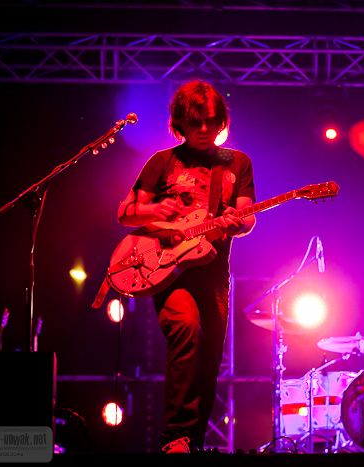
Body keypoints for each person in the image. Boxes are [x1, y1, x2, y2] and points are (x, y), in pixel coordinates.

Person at [116, 80, 256, 453]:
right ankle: (174, 438)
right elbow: (124, 213)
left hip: (213, 272)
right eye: (196, 122)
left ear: (222, 121)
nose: (204, 129)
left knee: (209, 357)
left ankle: (190, 442)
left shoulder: (237, 163)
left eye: (211, 121)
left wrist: (236, 221)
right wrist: (153, 209)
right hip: (169, 270)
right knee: (187, 329)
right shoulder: (162, 162)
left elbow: (247, 217)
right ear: (180, 122)